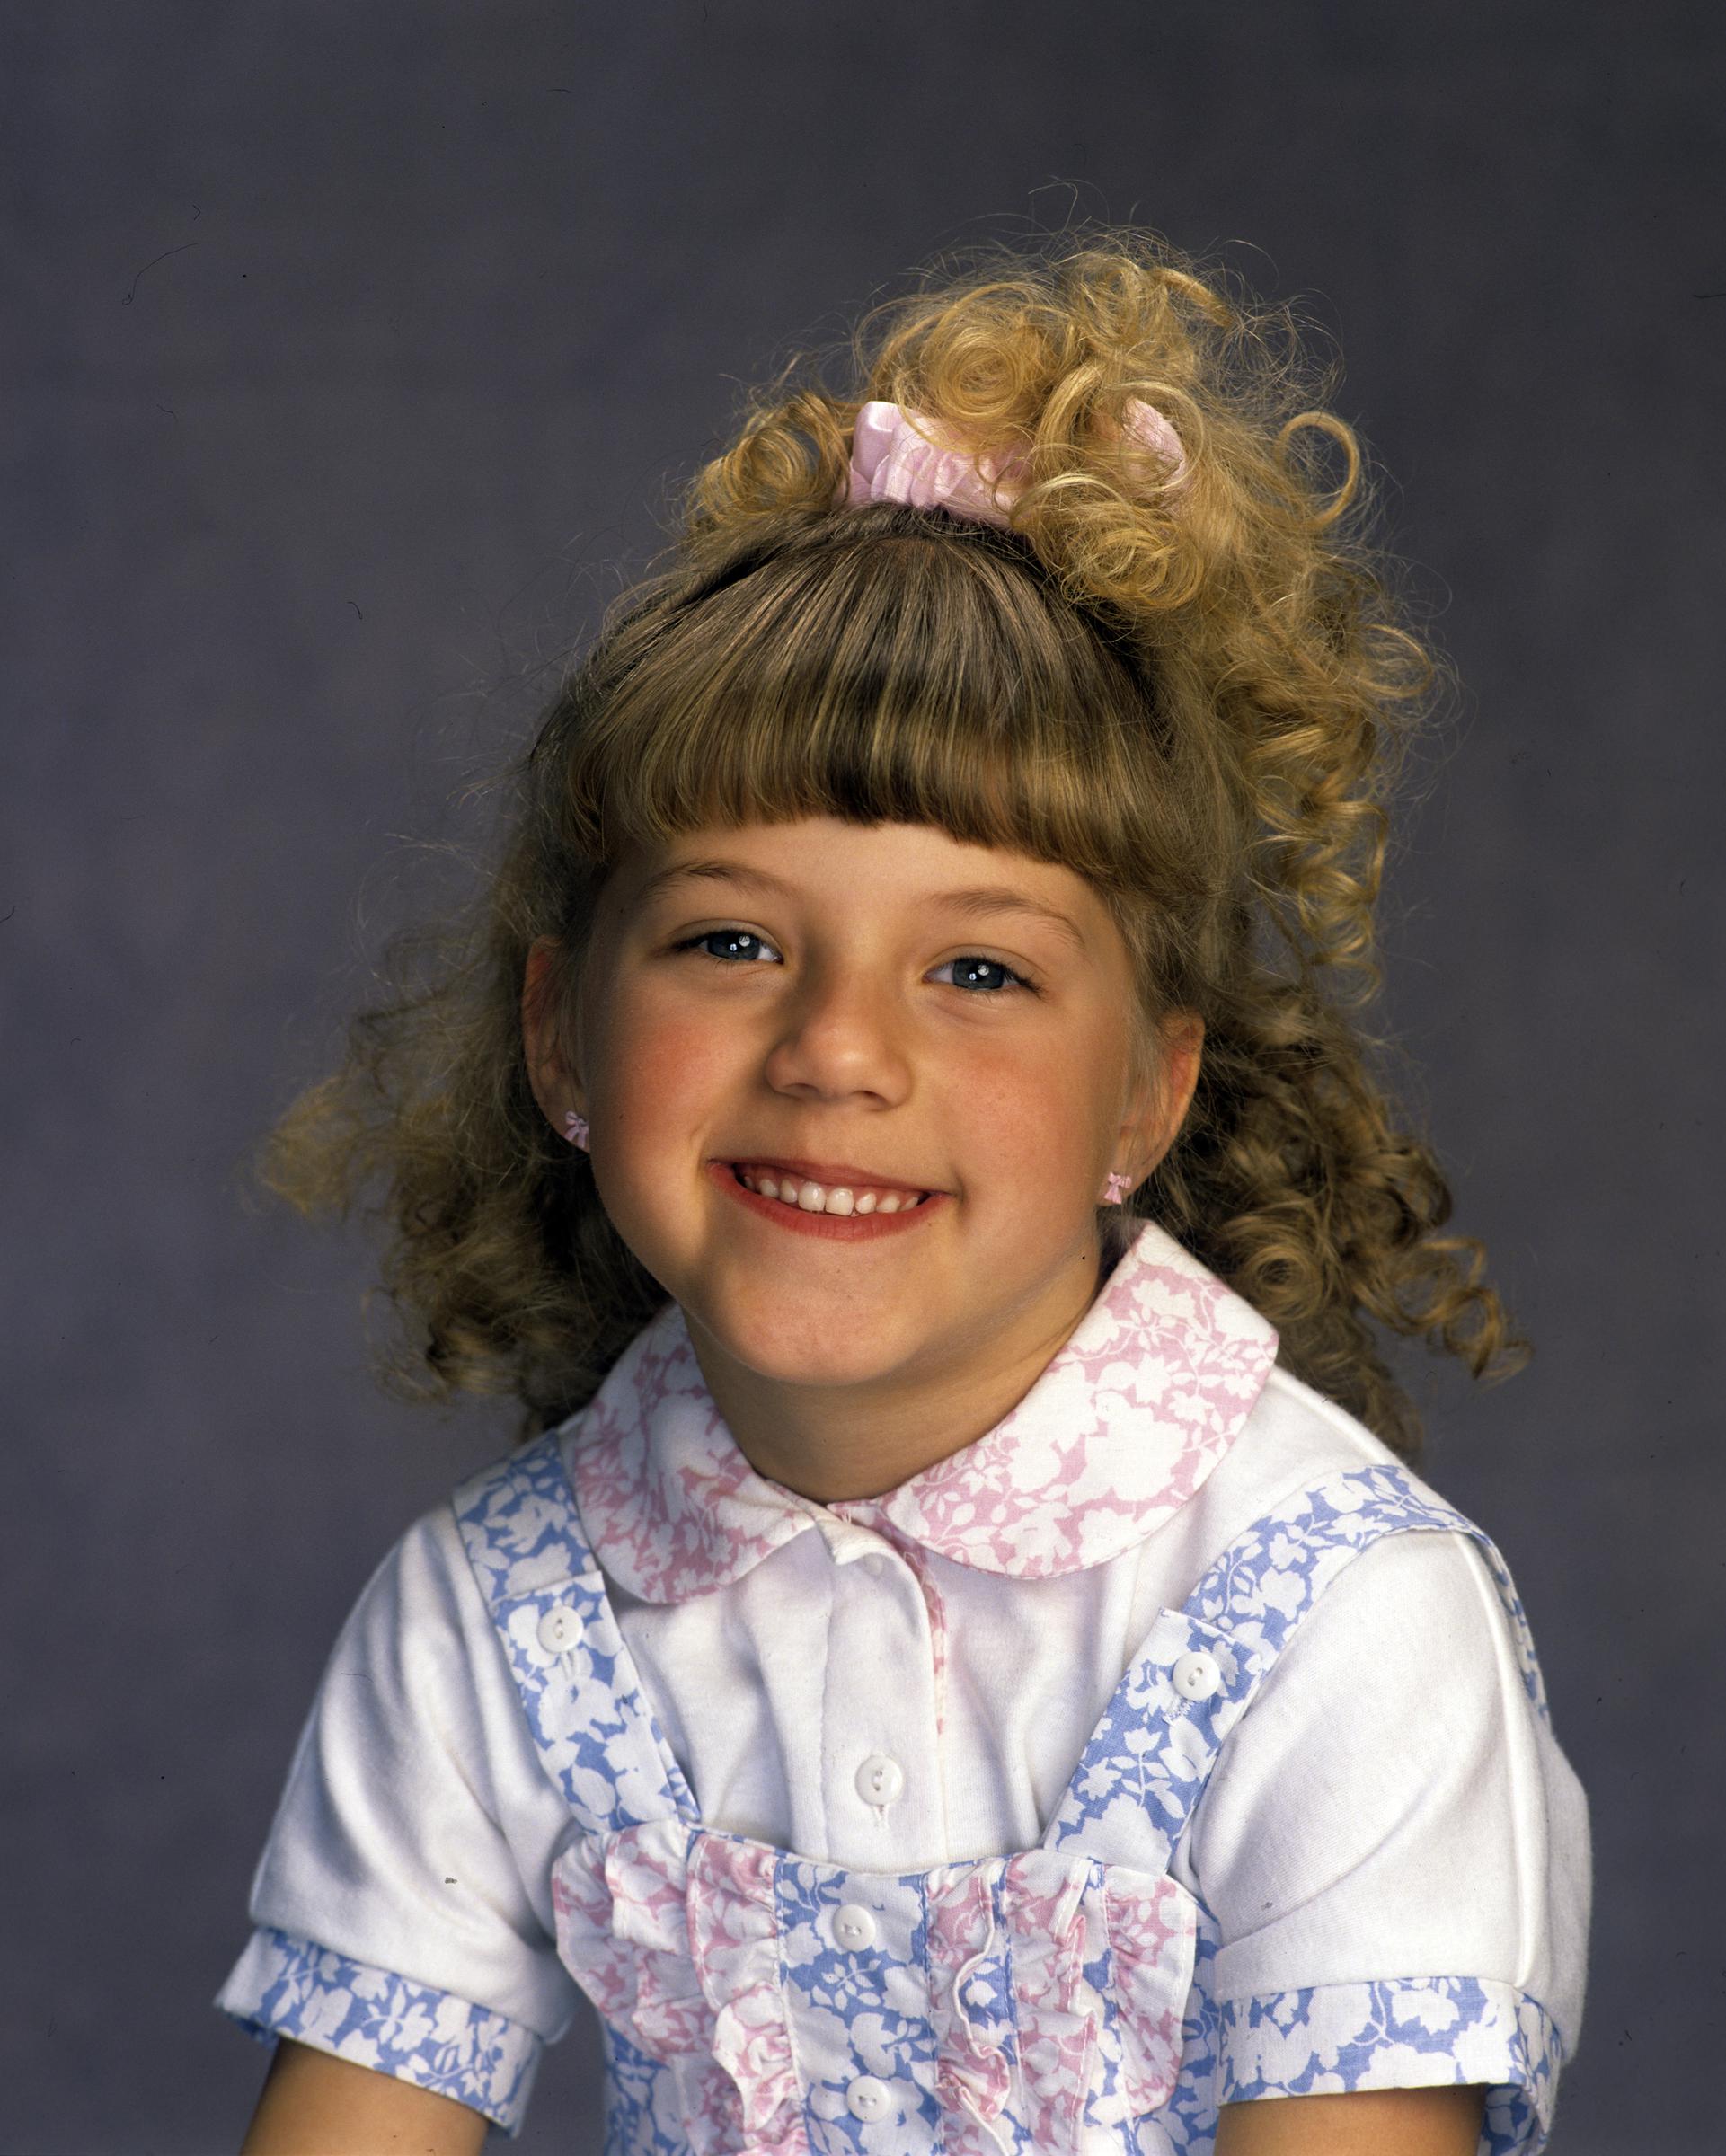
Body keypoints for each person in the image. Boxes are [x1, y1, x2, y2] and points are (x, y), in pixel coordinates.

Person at [221, 232, 1589, 2155]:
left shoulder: (1343, 1622)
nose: (838, 1054)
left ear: (1147, 1090)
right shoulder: (491, 1619)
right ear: (558, 1038)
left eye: (977, 970)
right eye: (726, 943)